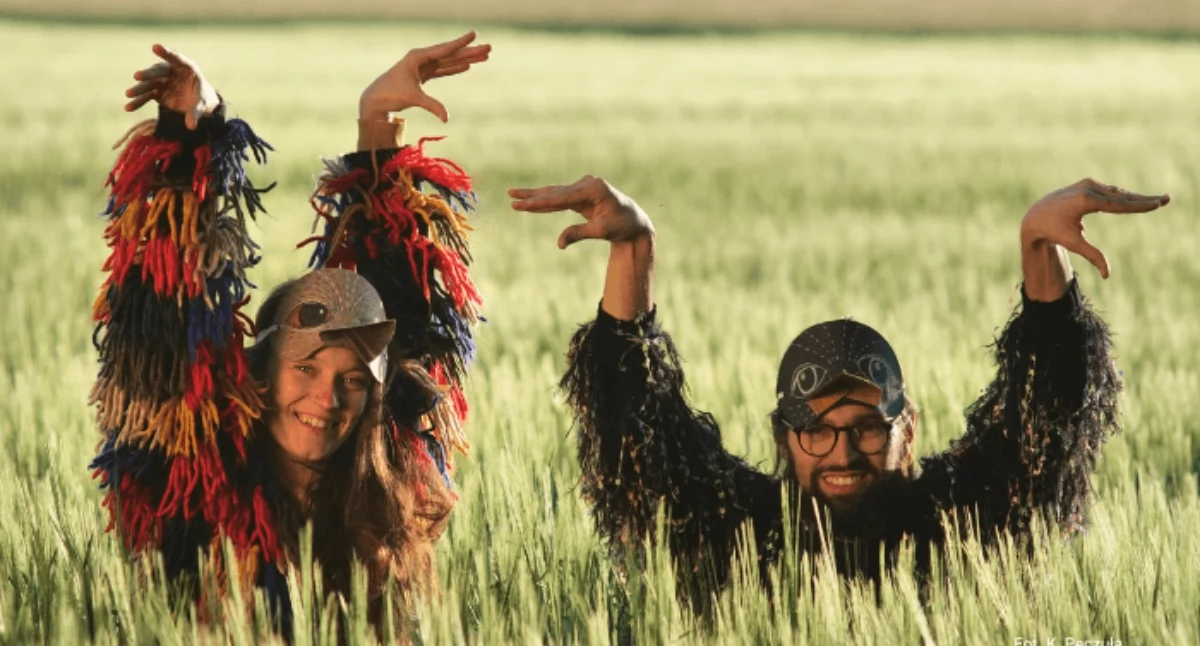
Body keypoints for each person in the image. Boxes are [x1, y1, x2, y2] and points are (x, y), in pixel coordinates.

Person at [510, 175, 1169, 610]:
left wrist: (1040, 253)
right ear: (783, 438)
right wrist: (634, 251)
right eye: (817, 430)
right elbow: (635, 427)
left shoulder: (953, 525)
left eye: (867, 427)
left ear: (908, 427)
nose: (843, 452)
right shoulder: (741, 532)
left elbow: (1044, 427)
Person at [88, 34, 489, 630]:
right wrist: (189, 132)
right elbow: (162, 310)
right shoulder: (202, 481)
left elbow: (410, 305)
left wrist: (377, 120)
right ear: (262, 369)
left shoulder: (390, 480)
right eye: (305, 368)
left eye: (354, 379)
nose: (328, 399)